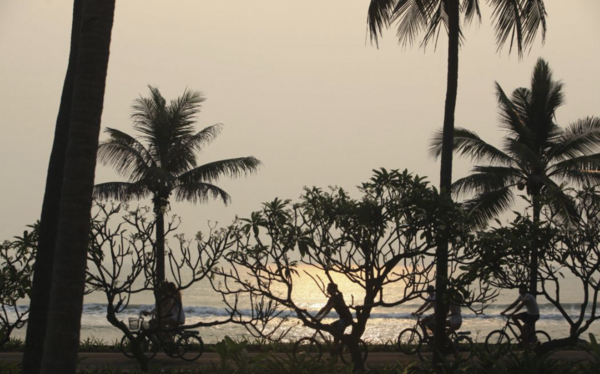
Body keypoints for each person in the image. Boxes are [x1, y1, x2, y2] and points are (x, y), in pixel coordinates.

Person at [315, 283, 354, 348]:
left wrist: (321, 318)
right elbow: (324, 308)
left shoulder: (337, 297)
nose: (327, 289)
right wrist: (315, 317)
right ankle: (337, 348)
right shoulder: (331, 298)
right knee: (333, 329)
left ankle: (341, 346)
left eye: (328, 288)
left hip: (346, 319)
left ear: (332, 289)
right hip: (342, 319)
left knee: (338, 335)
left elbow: (328, 309)